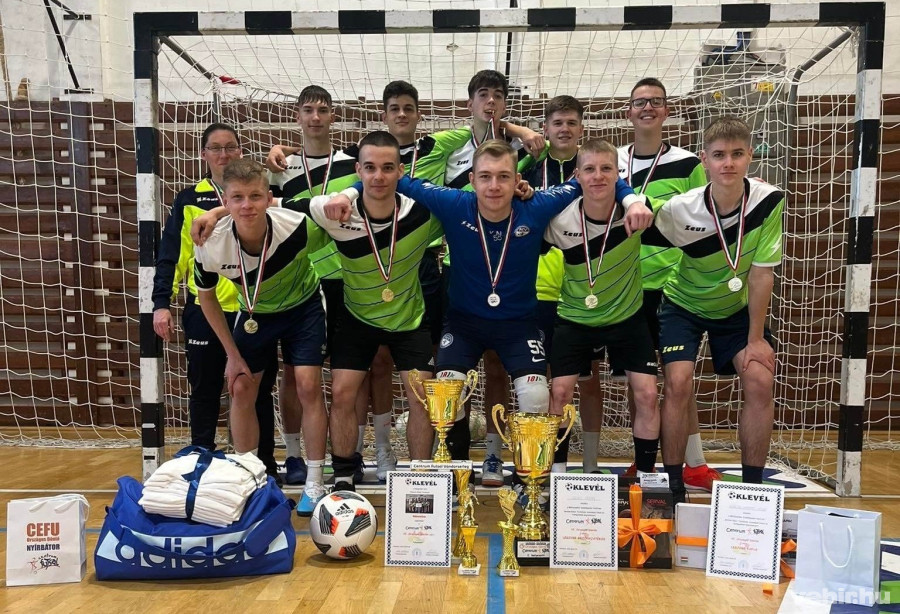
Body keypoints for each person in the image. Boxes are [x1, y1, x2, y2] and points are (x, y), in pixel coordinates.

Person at [326, 140, 650, 438]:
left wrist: (632, 200)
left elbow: (589, 179)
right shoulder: (453, 203)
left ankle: (525, 474)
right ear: (472, 179)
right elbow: (390, 177)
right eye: (485, 177)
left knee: (537, 397)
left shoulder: (538, 206)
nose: (494, 186)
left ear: (517, 179)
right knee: (447, 396)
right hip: (464, 325)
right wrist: (347, 195)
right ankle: (455, 472)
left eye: (503, 177)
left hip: (519, 325)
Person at [641, 116, 784, 503]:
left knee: (760, 379)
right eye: (719, 155)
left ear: (750, 156)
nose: (728, 163)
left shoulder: (769, 200)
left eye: (737, 154)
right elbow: (636, 219)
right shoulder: (681, 208)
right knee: (678, 383)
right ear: (704, 160)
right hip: (682, 305)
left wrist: (756, 339)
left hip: (736, 310)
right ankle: (673, 485)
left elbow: (761, 274)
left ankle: (752, 491)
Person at [300, 131, 444, 492]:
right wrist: (221, 212)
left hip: (409, 319)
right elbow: (273, 206)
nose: (379, 176)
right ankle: (344, 474)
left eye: (387, 168)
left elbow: (479, 201)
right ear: (358, 171)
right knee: (342, 392)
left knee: (421, 395)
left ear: (400, 171)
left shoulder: (424, 213)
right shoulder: (335, 213)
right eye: (370, 168)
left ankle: (420, 478)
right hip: (356, 317)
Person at [192, 158, 331, 515]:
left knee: (307, 385)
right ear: (225, 200)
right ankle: (250, 482)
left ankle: (315, 482)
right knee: (240, 386)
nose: (247, 205)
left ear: (269, 198)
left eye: (255, 196)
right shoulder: (210, 243)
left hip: (303, 309)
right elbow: (206, 298)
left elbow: (333, 217)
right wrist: (232, 355)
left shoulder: (297, 225)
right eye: (237, 198)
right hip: (255, 315)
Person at [151, 123, 280, 482]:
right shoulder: (189, 199)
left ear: (240, 151)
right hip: (205, 310)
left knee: (256, 390)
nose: (223, 154)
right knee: (205, 388)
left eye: (230, 147)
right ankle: (201, 462)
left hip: (253, 310)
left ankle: (262, 468)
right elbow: (173, 254)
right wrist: (162, 302)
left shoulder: (258, 195)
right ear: (204, 154)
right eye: (215, 148)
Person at [616, 77, 716, 488]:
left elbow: (706, 215)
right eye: (640, 102)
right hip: (623, 286)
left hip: (672, 286)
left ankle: (694, 463)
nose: (648, 108)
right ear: (628, 112)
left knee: (678, 379)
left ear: (667, 111)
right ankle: (642, 462)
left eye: (655, 101)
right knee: (637, 380)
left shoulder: (689, 164)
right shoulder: (613, 161)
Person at [543, 139, 661, 476]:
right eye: (590, 169)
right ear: (577, 175)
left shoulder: (639, 212)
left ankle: (644, 478)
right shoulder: (559, 220)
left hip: (627, 317)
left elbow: (688, 208)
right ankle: (556, 476)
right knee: (559, 394)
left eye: (606, 168)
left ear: (618, 174)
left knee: (647, 394)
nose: (598, 176)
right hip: (574, 318)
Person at [267, 85, 360, 486]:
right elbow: (269, 215)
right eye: (308, 110)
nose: (316, 117)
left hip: (348, 279)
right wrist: (282, 151)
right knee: (295, 374)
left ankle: (351, 454)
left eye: (323, 110)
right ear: (298, 116)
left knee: (349, 372)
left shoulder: (353, 162)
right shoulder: (280, 167)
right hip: (301, 282)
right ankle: (293, 455)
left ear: (333, 115)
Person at [520, 95, 605, 476]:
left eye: (571, 123)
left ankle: (589, 465)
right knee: (539, 383)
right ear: (546, 129)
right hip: (534, 286)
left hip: (581, 287)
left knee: (587, 380)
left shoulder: (593, 169)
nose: (565, 129)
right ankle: (543, 466)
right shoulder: (528, 166)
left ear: (581, 128)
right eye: (558, 123)